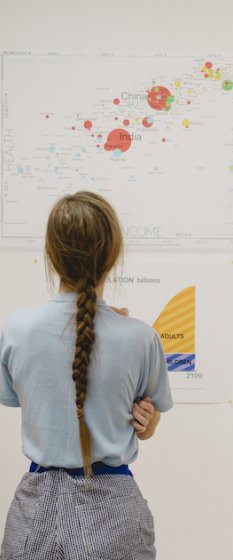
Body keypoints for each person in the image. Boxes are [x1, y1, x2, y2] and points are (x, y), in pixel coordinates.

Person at [0, 191, 173, 560]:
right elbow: (149, 425)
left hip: (34, 514)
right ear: (113, 256)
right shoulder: (141, 338)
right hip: (114, 511)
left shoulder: (16, 331)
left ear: (50, 255)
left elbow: (27, 398)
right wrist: (147, 421)